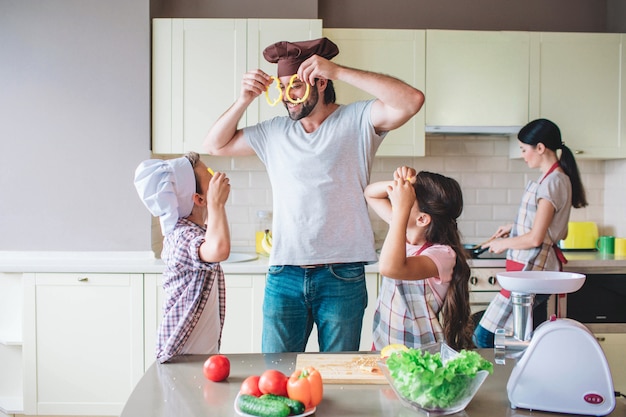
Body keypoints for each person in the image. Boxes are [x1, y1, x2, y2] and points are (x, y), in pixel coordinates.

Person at [203, 37, 424, 353]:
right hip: (284, 274)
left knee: (337, 378)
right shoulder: (273, 132)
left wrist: (339, 71)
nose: (285, 97)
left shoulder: (358, 120)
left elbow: (411, 100)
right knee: (276, 377)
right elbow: (215, 145)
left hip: (342, 275)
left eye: (292, 87)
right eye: (280, 89)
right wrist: (244, 100)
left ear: (319, 82)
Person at [473, 118, 588, 348]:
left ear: (540, 148)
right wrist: (513, 228)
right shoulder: (554, 178)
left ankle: (500, 381)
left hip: (532, 272)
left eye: (524, 150)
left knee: (484, 336)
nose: (524, 155)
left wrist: (504, 244)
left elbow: (537, 238)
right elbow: (548, 229)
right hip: (531, 273)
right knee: (517, 340)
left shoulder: (552, 182)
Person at [134, 152, 231, 363]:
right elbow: (219, 249)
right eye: (209, 174)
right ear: (199, 198)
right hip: (179, 354)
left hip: (199, 355)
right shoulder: (181, 237)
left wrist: (214, 206)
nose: (214, 175)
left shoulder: (197, 231)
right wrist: (217, 205)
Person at [366, 166, 474, 351]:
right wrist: (401, 184)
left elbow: (390, 268)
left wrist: (401, 209)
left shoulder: (442, 255)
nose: (399, 200)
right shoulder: (402, 230)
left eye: (408, 200)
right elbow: (370, 194)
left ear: (423, 219)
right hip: (386, 344)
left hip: (420, 353)